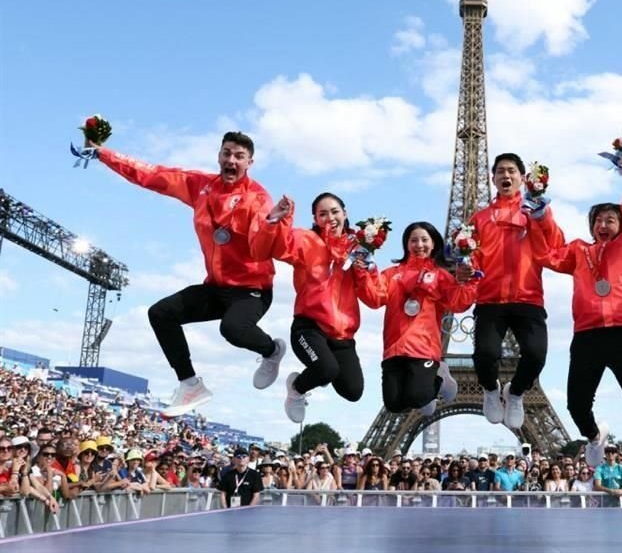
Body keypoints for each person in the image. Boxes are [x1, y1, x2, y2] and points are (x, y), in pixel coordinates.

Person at [89, 132, 285, 416]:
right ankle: (190, 384)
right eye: (226, 153)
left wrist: (271, 225)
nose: (231, 160)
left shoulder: (258, 199)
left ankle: (271, 351)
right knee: (160, 313)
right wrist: (103, 154)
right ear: (219, 155)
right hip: (216, 287)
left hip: (251, 290)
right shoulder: (200, 186)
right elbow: (153, 175)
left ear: (249, 162)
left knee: (231, 329)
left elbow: (265, 245)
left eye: (239, 156)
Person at [531, 157, 622, 467]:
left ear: (621, 225)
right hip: (586, 336)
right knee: (576, 404)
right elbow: (549, 254)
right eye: (598, 220)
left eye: (611, 219)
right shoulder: (578, 251)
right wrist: (543, 215)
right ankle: (595, 436)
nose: (603, 225)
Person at [255, 192, 380, 422]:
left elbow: (375, 299)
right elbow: (278, 246)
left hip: (342, 337)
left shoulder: (359, 249)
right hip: (309, 327)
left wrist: (365, 270)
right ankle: (297, 389)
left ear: (345, 213)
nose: (330, 218)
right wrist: (279, 219)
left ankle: (313, 372)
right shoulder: (307, 240)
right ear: (315, 219)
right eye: (322, 214)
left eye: (334, 211)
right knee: (326, 370)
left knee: (353, 392)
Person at [466, 153, 564, 429]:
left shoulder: (535, 210)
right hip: (490, 298)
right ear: (493, 178)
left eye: (511, 171)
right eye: (500, 171)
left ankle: (516, 392)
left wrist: (542, 217)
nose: (505, 176)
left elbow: (556, 244)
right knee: (485, 355)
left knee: (535, 355)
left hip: (527, 296)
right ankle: (489, 389)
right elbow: (470, 257)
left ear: (523, 177)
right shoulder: (480, 218)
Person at [359, 222, 474, 417]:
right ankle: (430, 386)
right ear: (406, 244)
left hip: (423, 348)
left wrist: (468, 281)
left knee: (417, 397)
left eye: (424, 240)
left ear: (434, 244)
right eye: (413, 240)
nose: (419, 245)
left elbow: (458, 303)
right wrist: (364, 270)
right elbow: (374, 298)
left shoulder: (441, 276)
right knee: (394, 404)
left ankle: (439, 379)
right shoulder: (391, 274)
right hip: (394, 348)